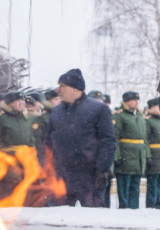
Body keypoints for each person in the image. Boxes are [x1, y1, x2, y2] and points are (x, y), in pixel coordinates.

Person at [44, 69, 118, 208]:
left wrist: (103, 169)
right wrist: (46, 169)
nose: (57, 90)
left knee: (93, 221)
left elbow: (107, 142)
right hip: (62, 178)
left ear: (74, 88)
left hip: (89, 178)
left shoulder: (98, 109)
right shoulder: (56, 111)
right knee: (61, 222)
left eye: (62, 86)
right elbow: (47, 143)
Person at [112, 91, 148, 209]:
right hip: (125, 157)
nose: (137, 102)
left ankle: (134, 209)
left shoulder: (139, 116)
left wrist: (147, 155)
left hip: (138, 158)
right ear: (126, 101)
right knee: (124, 187)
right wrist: (117, 157)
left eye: (137, 100)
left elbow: (144, 138)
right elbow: (115, 138)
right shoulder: (120, 115)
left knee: (135, 187)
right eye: (133, 100)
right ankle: (124, 209)